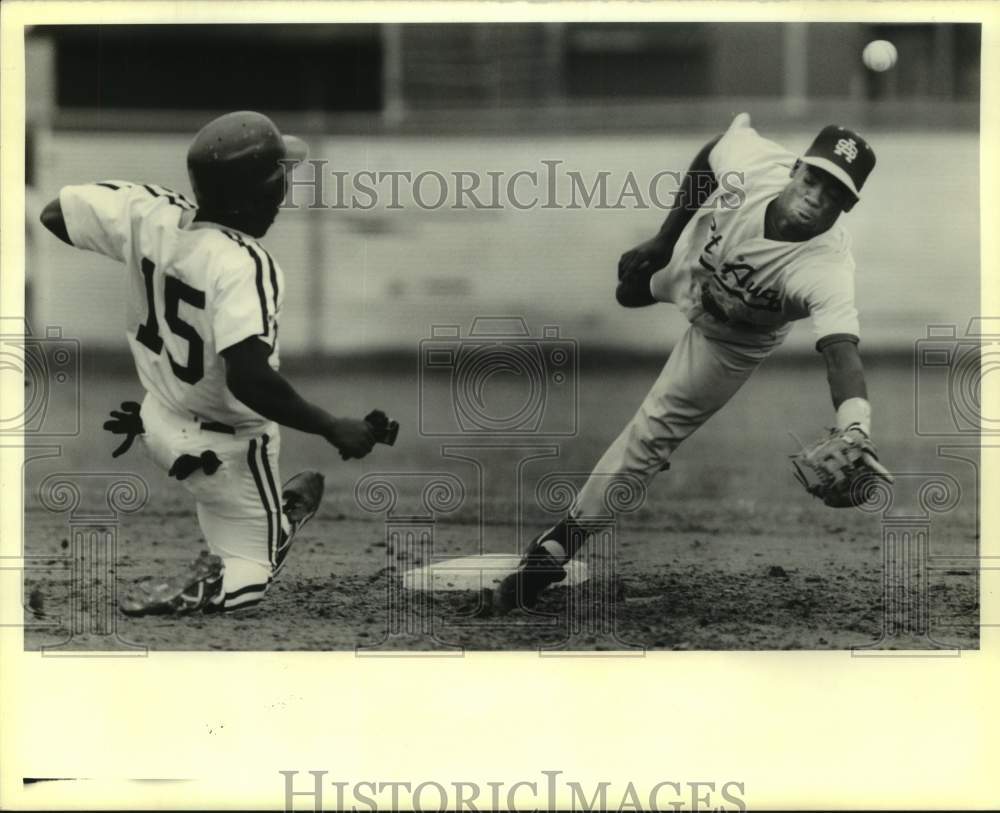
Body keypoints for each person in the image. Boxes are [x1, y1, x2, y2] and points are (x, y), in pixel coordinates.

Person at [497, 112, 889, 612]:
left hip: (733, 338)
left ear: (846, 209)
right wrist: (663, 238)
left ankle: (552, 552)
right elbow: (712, 153)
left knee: (651, 435)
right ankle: (657, 276)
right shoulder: (756, 167)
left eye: (834, 195)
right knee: (629, 291)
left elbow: (841, 352)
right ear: (794, 170)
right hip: (693, 265)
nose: (816, 197)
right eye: (813, 180)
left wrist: (856, 427)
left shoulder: (825, 269)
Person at [39, 111, 379, 615]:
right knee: (248, 585)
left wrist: (145, 228)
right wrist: (333, 427)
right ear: (256, 196)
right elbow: (250, 381)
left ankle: (268, 523)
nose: (284, 190)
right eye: (278, 181)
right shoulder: (246, 263)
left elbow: (54, 215)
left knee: (246, 529)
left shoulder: (150, 215)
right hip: (230, 454)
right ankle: (233, 559)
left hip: (156, 424)